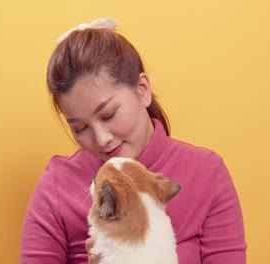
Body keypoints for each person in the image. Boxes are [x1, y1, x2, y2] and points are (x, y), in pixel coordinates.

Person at [20, 17, 247, 264]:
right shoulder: (57, 184)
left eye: (109, 115)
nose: (101, 139)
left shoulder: (205, 171)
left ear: (142, 89)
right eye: (81, 128)